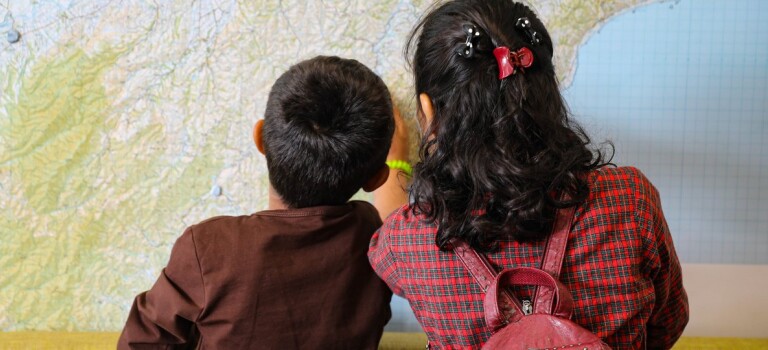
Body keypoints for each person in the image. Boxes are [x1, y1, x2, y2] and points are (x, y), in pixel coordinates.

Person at [368, 0, 689, 348]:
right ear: (548, 90)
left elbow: (389, 240)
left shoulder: (409, 239)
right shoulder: (630, 200)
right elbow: (668, 323)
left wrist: (396, 162)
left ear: (428, 110)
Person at [118, 55, 410, 349]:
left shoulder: (208, 249)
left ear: (260, 138)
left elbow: (141, 342)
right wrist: (398, 162)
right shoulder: (374, 238)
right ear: (376, 179)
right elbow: (396, 222)